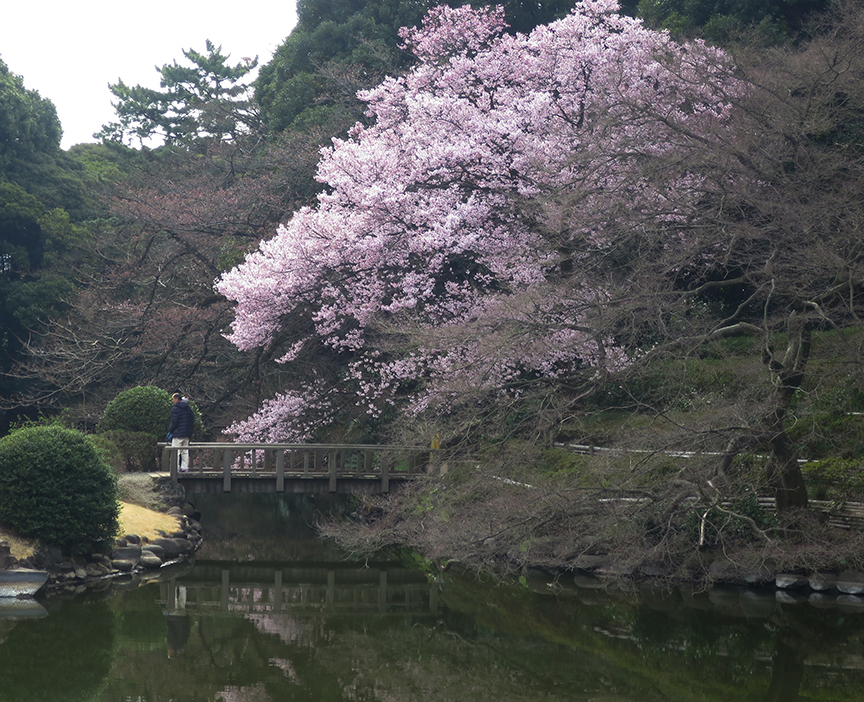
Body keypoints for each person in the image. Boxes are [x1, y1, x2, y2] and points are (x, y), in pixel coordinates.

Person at [167, 392, 195, 473]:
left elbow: (174, 422)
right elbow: (192, 420)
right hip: (187, 433)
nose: (172, 401)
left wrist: (171, 430)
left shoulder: (175, 408)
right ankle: (184, 468)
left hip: (178, 433)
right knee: (185, 451)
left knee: (175, 451)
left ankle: (175, 468)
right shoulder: (188, 408)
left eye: (173, 399)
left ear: (176, 399)